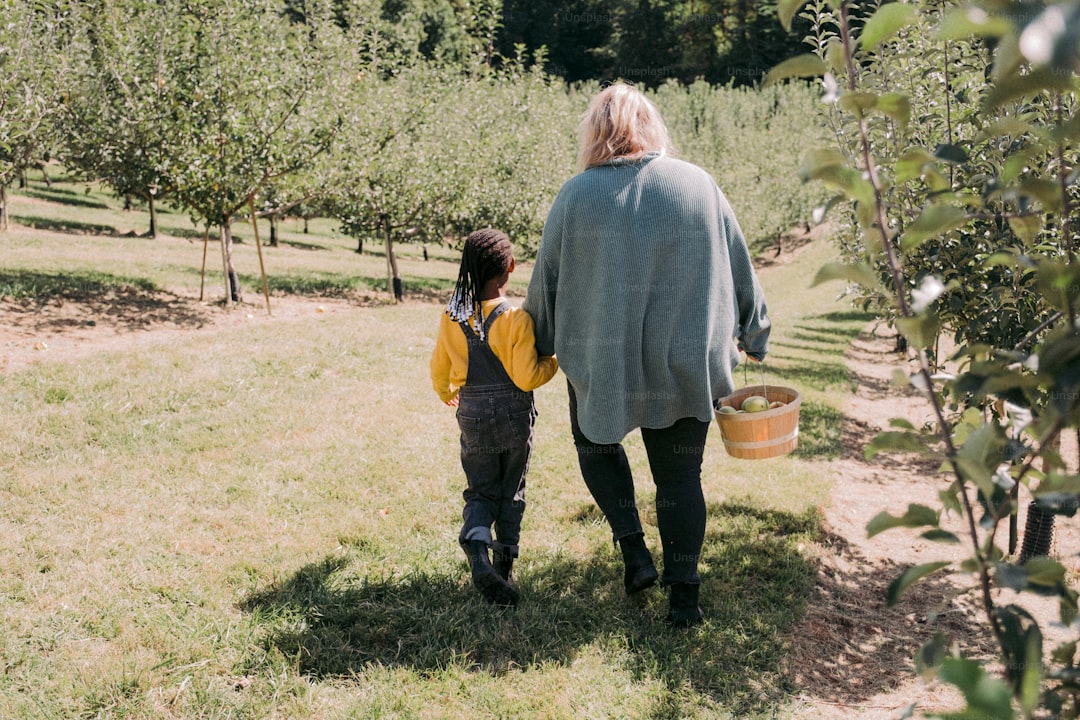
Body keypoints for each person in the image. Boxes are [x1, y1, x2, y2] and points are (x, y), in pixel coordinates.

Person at [522, 82, 771, 627]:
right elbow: (740, 263)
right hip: (684, 358)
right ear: (652, 127)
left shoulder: (575, 196)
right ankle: (684, 599)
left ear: (595, 132)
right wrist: (755, 333)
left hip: (600, 359)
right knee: (680, 479)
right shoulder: (698, 185)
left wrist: (535, 343)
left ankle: (634, 550)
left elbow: (547, 283)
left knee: (595, 444)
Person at [431, 228, 559, 606]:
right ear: (511, 267)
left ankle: (475, 546)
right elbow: (526, 376)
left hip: (471, 412)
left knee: (480, 488)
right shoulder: (515, 318)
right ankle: (503, 565)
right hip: (513, 416)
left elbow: (439, 367)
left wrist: (446, 392)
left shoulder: (452, 316)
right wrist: (551, 362)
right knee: (511, 488)